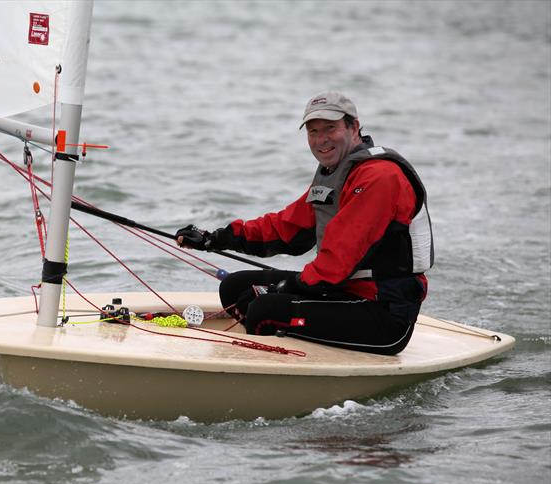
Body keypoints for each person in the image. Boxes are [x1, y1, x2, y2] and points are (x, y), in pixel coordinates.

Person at [175, 91, 433, 355]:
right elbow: (286, 228)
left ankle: (267, 375)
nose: (321, 140)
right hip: (342, 292)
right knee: (235, 287)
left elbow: (339, 257)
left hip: (383, 313)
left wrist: (283, 288)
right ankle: (291, 343)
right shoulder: (338, 172)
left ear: (353, 127)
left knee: (264, 310)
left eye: (330, 128)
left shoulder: (379, 177)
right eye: (313, 131)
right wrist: (215, 239)